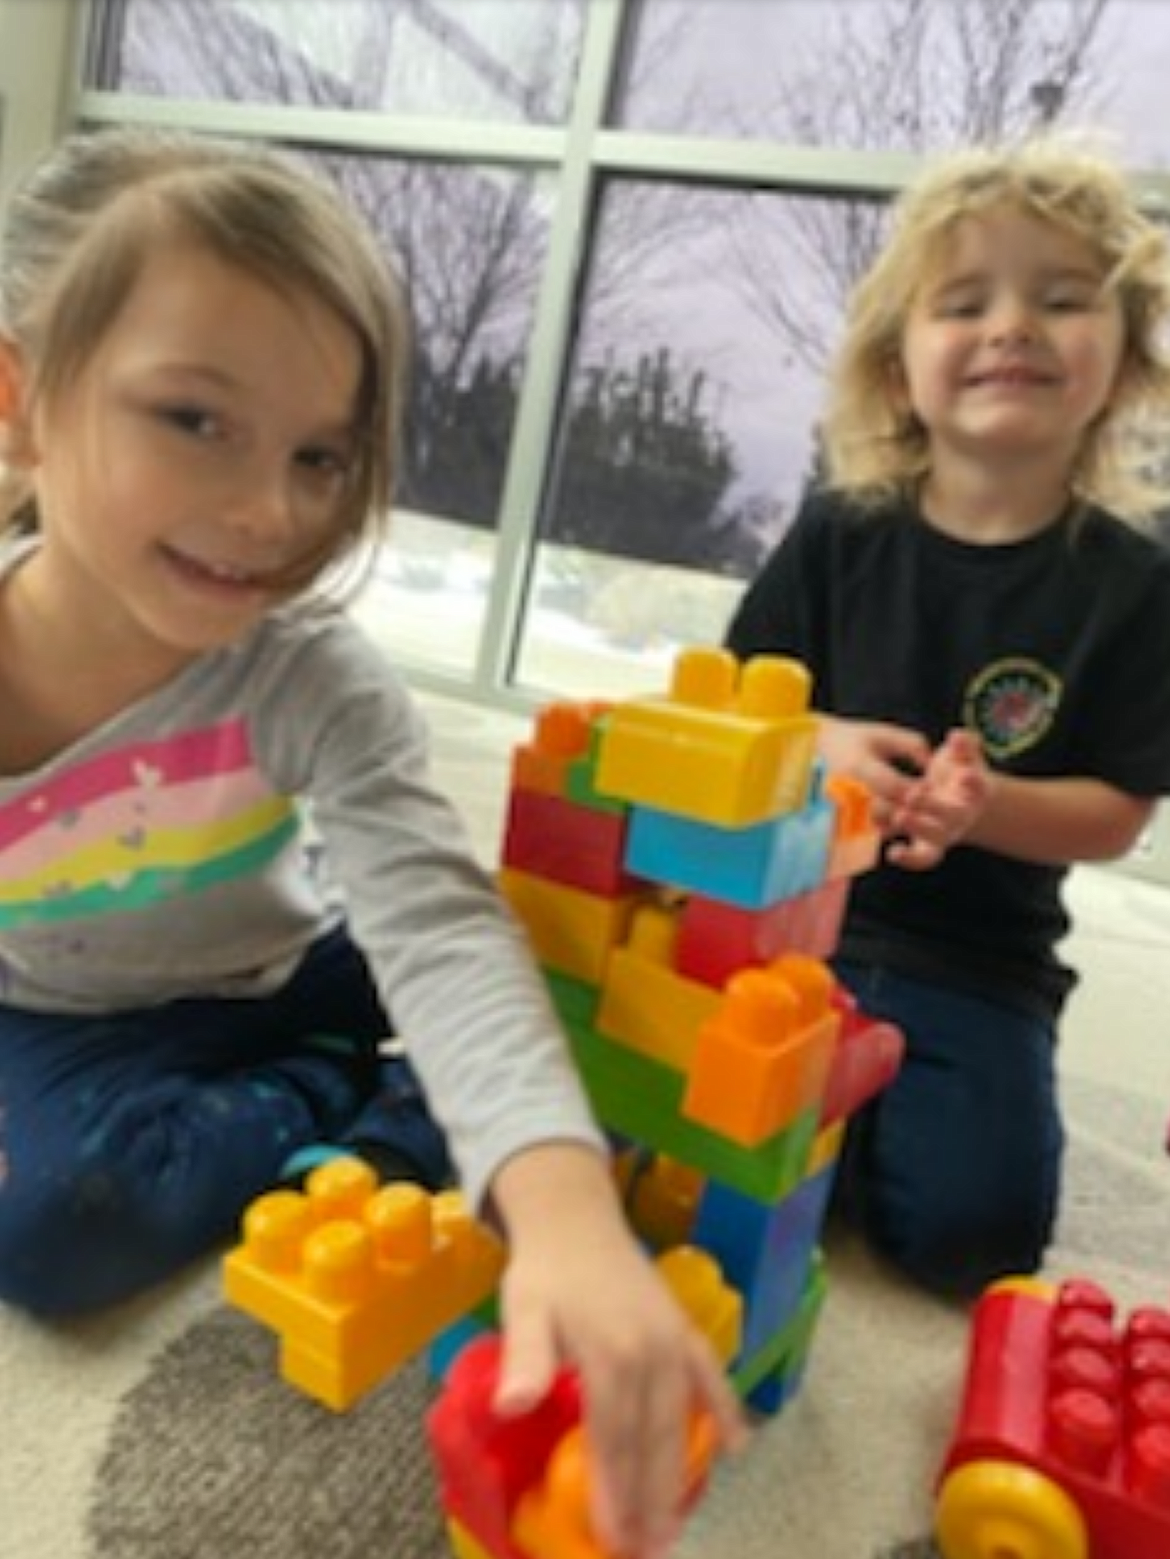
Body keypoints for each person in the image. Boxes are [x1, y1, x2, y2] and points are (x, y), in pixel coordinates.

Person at [0, 126, 742, 1556]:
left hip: (285, 956)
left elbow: (436, 926)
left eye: (320, 454)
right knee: (53, 1231)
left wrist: (566, 1200)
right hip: (60, 1006)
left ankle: (385, 1085)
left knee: (514, 967)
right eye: (194, 419)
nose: (270, 509)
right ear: (23, 404)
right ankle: (347, 1102)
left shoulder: (310, 673)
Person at [727, 136, 1170, 1299]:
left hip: (981, 960)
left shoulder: (1135, 581)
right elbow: (732, 702)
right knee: (683, 1137)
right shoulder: (841, 530)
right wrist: (817, 741)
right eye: (965, 302)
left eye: (1063, 299)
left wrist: (991, 805)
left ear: (1122, 366)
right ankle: (843, 1117)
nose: (1013, 326)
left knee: (974, 1242)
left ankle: (862, 1119)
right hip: (790, 920)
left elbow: (1119, 810)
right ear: (895, 368)